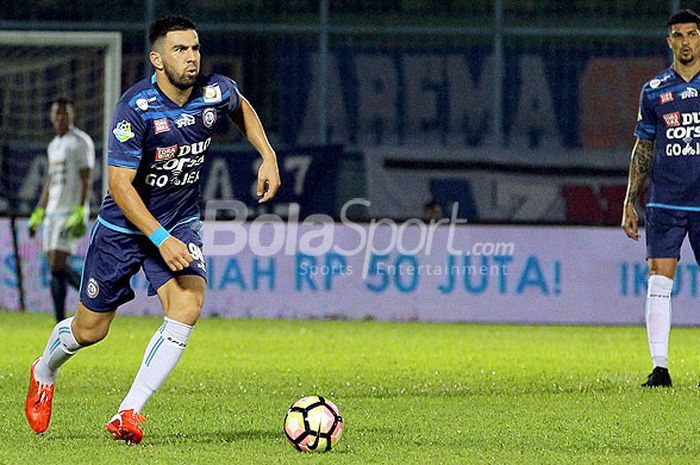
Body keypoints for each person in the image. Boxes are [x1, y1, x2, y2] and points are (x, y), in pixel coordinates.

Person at [24, 15, 281, 444]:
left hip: (179, 219)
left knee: (187, 305)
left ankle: (128, 412)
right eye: (180, 50)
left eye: (195, 48)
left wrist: (267, 154)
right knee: (91, 331)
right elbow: (119, 186)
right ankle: (43, 369)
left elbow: (241, 107)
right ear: (157, 60)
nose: (192, 58)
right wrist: (159, 239)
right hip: (123, 228)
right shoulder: (135, 109)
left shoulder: (214, 90)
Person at [622, 9, 700, 388]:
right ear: (669, 41)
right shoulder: (654, 90)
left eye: (692, 34)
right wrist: (629, 201)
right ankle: (660, 368)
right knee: (659, 280)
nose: (686, 41)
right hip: (666, 199)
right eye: (678, 35)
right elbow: (643, 148)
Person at [28, 98, 94, 322]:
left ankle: (96, 294)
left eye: (64, 113)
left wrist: (81, 209)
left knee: (57, 262)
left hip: (69, 211)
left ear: (72, 115)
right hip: (52, 212)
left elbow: (86, 177)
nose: (60, 117)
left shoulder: (81, 141)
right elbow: (50, 180)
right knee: (54, 266)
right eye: (56, 113)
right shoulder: (54, 145)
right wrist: (39, 211)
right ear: (51, 116)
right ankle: (59, 320)